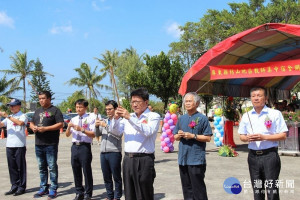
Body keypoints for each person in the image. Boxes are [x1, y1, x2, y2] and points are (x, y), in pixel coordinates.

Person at [238, 87, 288, 200]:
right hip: (253, 156)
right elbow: (241, 136)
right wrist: (247, 138)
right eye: (253, 96)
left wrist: (263, 137)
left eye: (259, 96)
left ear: (265, 98)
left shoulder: (275, 113)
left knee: (272, 191)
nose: (256, 98)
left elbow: (283, 135)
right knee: (257, 190)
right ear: (250, 98)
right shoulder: (247, 116)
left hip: (269, 156)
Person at [113, 88, 160, 200]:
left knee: (144, 193)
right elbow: (116, 132)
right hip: (128, 159)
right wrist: (115, 119)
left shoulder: (153, 116)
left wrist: (129, 118)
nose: (134, 105)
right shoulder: (128, 117)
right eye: (132, 102)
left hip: (144, 159)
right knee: (129, 193)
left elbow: (148, 131)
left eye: (137, 102)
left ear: (146, 102)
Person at [173, 92, 212, 200]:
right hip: (183, 159)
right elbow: (175, 137)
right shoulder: (181, 118)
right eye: (186, 101)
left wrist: (193, 136)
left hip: (196, 159)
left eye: (190, 101)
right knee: (187, 189)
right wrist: (179, 135)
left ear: (197, 103)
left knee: (198, 189)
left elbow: (208, 137)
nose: (187, 103)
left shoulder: (202, 118)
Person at [30, 91, 64, 199]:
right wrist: (33, 127)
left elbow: (60, 124)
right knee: (41, 167)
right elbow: (31, 122)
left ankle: (53, 189)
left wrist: (46, 129)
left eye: (43, 98)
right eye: (39, 98)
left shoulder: (55, 110)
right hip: (38, 143)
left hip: (51, 144)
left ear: (49, 99)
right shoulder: (37, 111)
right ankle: (43, 187)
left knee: (52, 166)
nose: (41, 100)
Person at [65, 99, 95, 200]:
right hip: (74, 146)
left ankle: (88, 193)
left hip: (84, 146)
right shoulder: (73, 119)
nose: (78, 109)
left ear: (85, 108)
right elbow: (67, 135)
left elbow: (93, 134)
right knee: (75, 169)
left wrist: (82, 129)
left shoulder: (90, 118)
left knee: (86, 170)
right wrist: (69, 127)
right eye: (77, 107)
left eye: (80, 107)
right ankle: (79, 191)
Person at [95, 100, 123, 200]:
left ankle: (117, 196)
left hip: (114, 151)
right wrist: (97, 126)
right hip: (103, 152)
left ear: (115, 109)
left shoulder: (120, 121)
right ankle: (109, 195)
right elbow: (97, 135)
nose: (108, 111)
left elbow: (118, 135)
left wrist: (105, 126)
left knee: (116, 176)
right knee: (106, 176)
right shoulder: (104, 120)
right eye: (106, 109)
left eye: (110, 109)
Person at [0, 99, 28, 196]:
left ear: (19, 106)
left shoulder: (23, 116)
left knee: (20, 167)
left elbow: (21, 123)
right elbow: (2, 124)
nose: (11, 107)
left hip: (19, 145)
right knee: (12, 167)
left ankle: (21, 187)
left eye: (13, 105)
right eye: (10, 106)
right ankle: (14, 185)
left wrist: (7, 116)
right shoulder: (10, 117)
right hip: (9, 145)